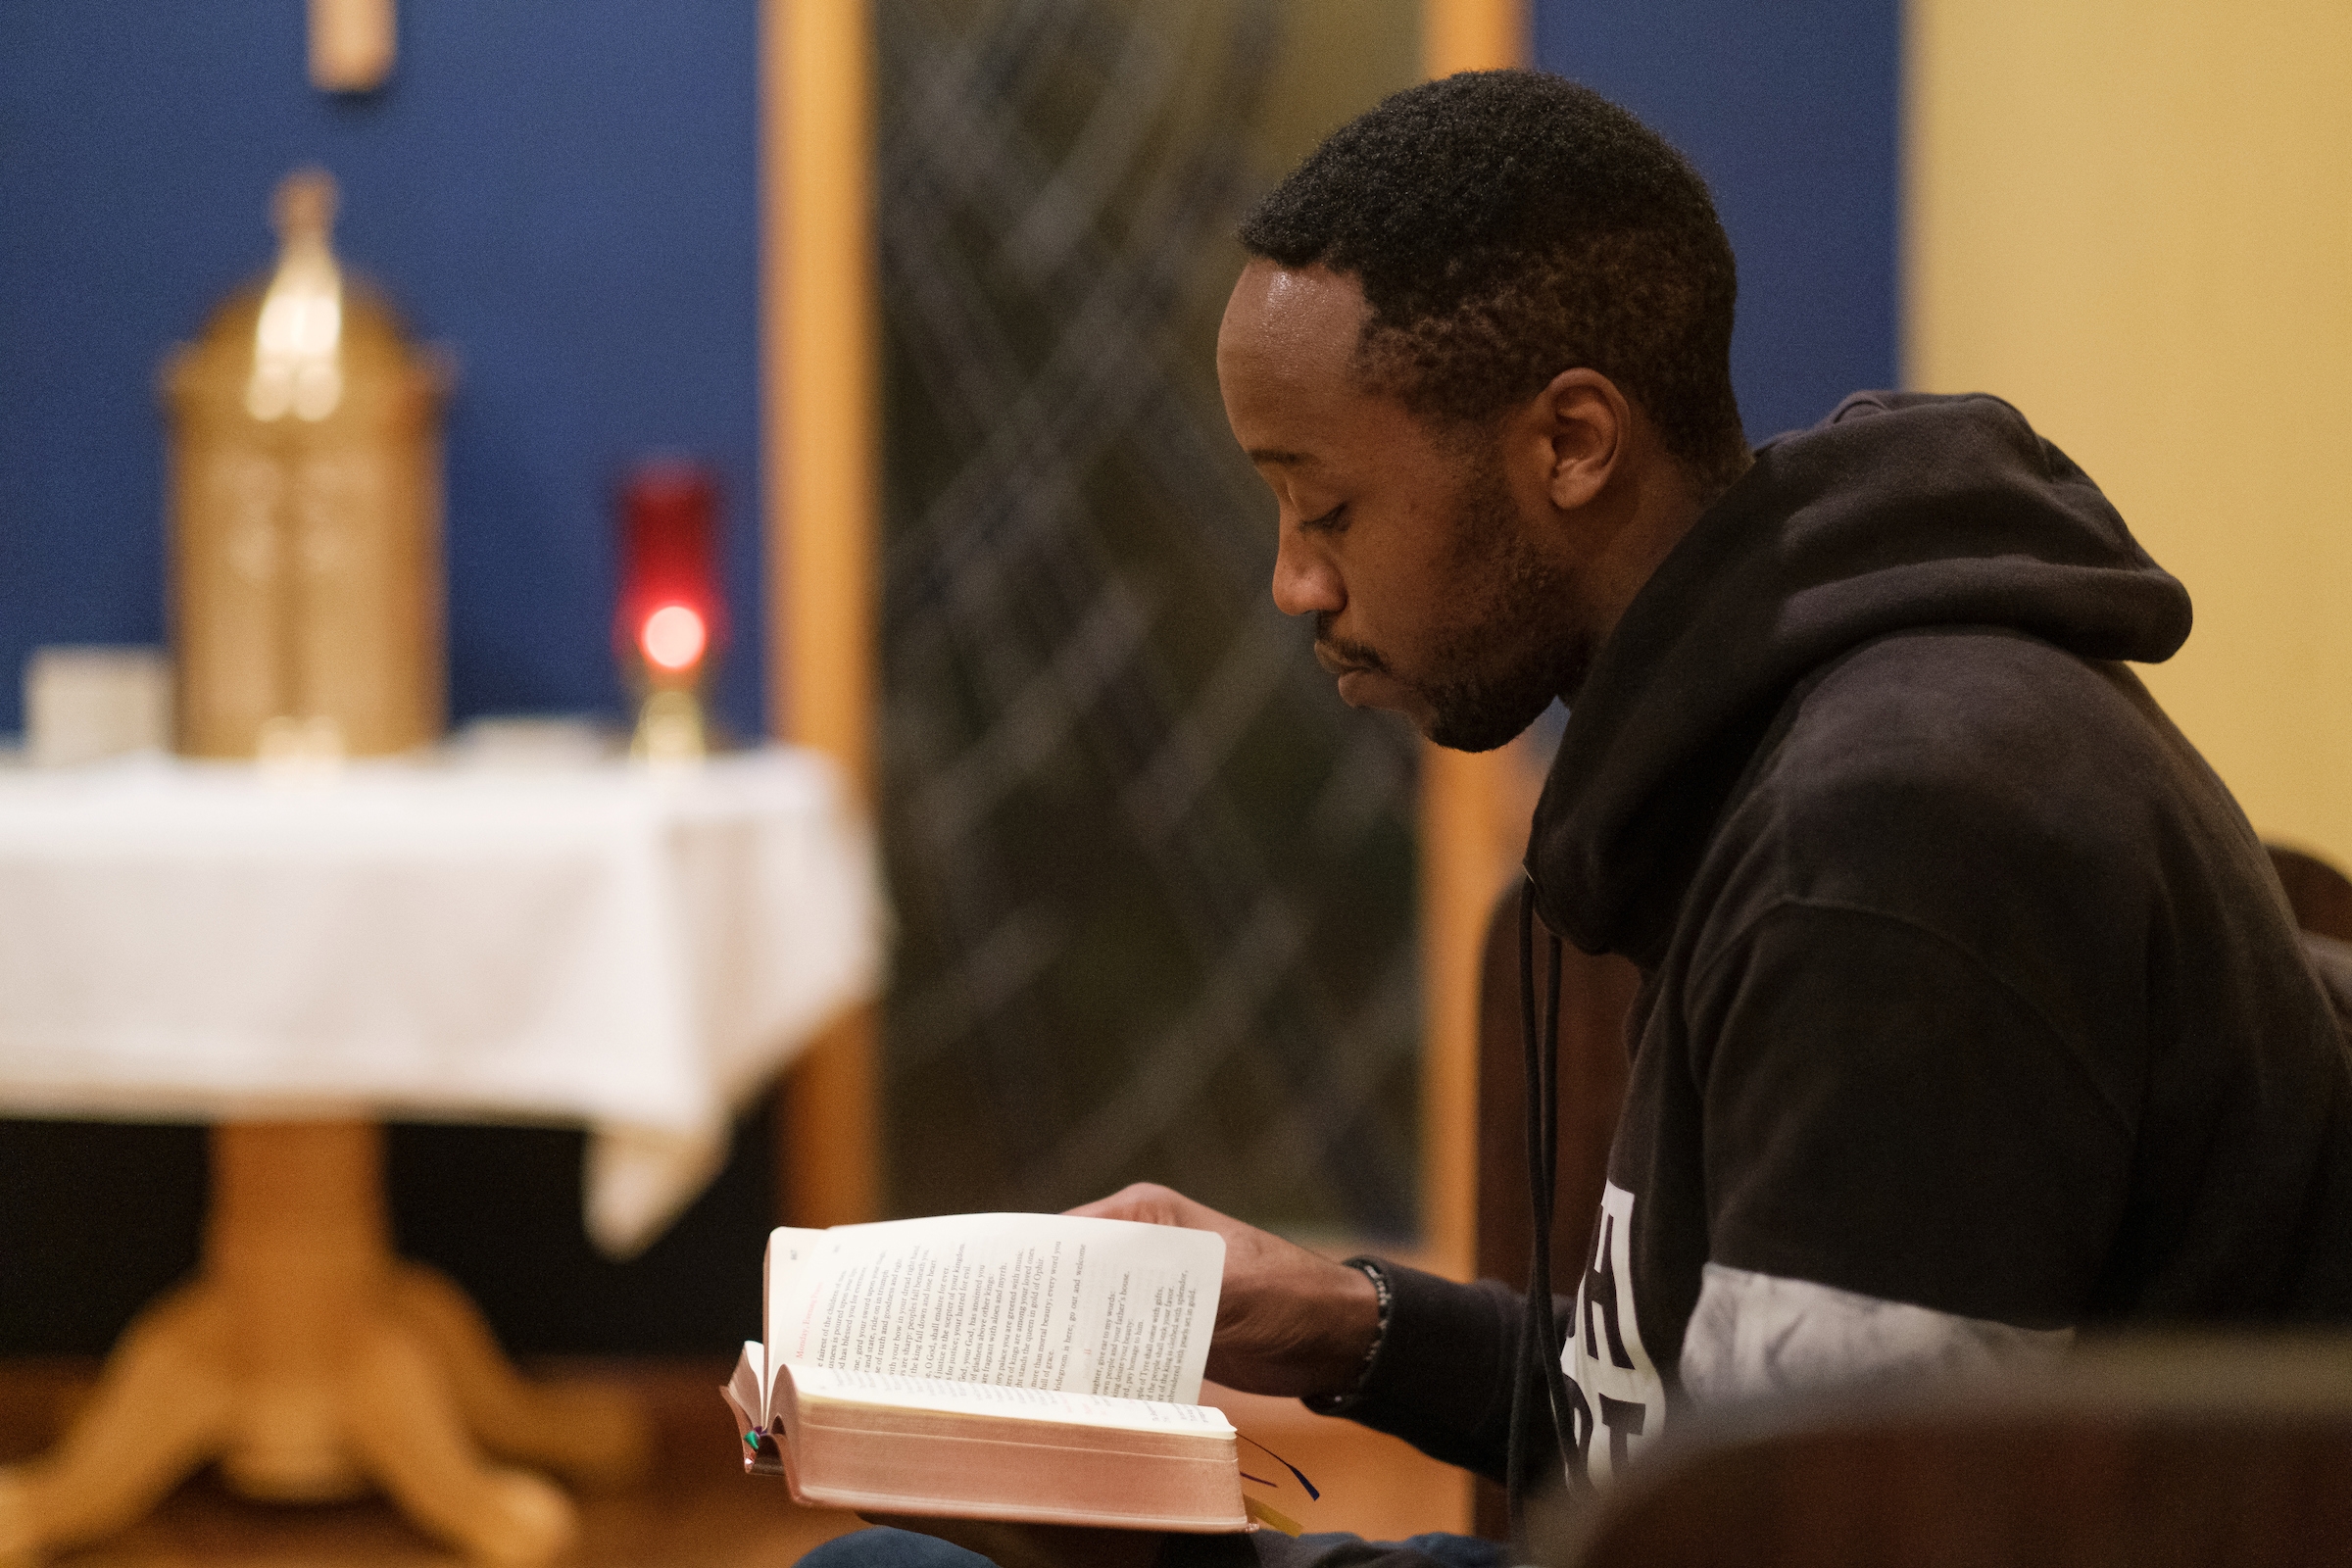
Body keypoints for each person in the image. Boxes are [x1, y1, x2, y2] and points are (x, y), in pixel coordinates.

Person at [808, 68, 2352, 1568]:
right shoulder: (1780, 748)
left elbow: (1815, 1526)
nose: (1294, 582)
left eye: (1326, 506)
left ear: (1570, 444)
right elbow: (1706, 1419)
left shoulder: (1889, 848)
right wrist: (1344, 1321)